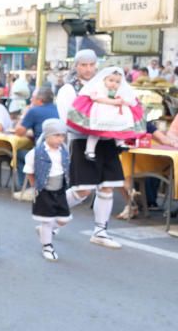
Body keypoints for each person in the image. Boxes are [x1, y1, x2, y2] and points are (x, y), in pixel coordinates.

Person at [55, 49, 126, 249]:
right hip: (81, 141)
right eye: (83, 65)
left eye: (91, 64)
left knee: (107, 185)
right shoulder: (69, 89)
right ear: (76, 66)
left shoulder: (107, 86)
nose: (88, 69)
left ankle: (100, 230)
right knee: (83, 190)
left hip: (108, 141)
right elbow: (67, 119)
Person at [67, 67, 145, 161]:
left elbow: (129, 99)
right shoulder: (99, 88)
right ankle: (89, 150)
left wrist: (124, 101)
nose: (114, 84)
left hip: (115, 115)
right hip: (102, 113)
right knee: (96, 132)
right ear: (104, 79)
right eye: (111, 80)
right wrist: (114, 102)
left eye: (117, 82)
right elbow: (96, 98)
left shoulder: (121, 90)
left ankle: (120, 143)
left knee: (119, 129)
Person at [23, 119, 71, 261]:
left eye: (62, 136)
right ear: (47, 135)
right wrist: (36, 187)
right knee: (47, 220)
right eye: (56, 135)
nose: (60, 139)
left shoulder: (64, 151)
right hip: (44, 190)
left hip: (60, 189)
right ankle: (47, 246)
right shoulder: (36, 153)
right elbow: (29, 171)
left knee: (64, 219)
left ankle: (45, 230)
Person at [13, 87, 60, 192]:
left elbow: (19, 132)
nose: (30, 100)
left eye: (33, 98)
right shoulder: (58, 109)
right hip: (61, 151)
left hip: (43, 153)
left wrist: (25, 114)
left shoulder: (34, 111)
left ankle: (27, 187)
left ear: (40, 100)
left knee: (18, 153)